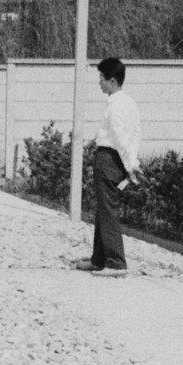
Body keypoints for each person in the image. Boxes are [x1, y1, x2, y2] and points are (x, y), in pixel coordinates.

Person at [73, 57, 142, 277]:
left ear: (112, 81)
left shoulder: (116, 107)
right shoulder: (129, 104)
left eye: (101, 78)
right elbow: (136, 135)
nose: (99, 83)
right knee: (103, 209)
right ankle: (99, 258)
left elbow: (121, 138)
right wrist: (133, 161)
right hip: (116, 159)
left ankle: (116, 262)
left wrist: (131, 166)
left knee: (108, 210)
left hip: (110, 159)